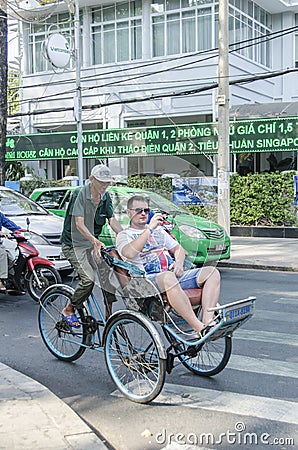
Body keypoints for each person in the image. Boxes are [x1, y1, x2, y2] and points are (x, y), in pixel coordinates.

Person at [116, 195, 221, 338]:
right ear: (128, 213)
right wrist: (150, 229)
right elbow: (129, 253)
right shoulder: (125, 235)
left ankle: (208, 323)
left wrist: (178, 263)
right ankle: (198, 328)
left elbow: (179, 249)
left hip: (170, 275)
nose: (143, 214)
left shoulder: (160, 231)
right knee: (168, 277)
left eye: (146, 210)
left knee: (212, 272)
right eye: (138, 210)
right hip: (146, 281)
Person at [60, 164, 122, 327]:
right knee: (88, 279)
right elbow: (79, 224)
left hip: (92, 244)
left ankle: (110, 314)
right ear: (91, 179)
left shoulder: (105, 197)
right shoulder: (80, 194)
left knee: (109, 273)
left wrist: (125, 237)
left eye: (107, 182)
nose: (104, 185)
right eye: (101, 182)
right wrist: (95, 241)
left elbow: (112, 220)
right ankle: (69, 309)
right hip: (74, 245)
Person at [0, 211, 22, 293]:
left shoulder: (0, 215)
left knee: (11, 258)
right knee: (2, 254)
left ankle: (11, 282)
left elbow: (9, 224)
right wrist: (2, 233)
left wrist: (20, 231)